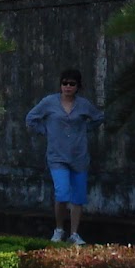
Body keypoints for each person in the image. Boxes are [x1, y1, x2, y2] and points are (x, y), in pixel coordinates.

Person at [25, 68, 104, 245]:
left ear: (78, 86)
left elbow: (98, 118)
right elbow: (31, 118)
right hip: (57, 155)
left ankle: (74, 233)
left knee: (78, 196)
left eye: (72, 84)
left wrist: (85, 130)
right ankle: (59, 228)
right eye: (64, 83)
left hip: (79, 155)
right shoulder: (49, 102)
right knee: (61, 192)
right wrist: (46, 131)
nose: (67, 87)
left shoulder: (83, 105)